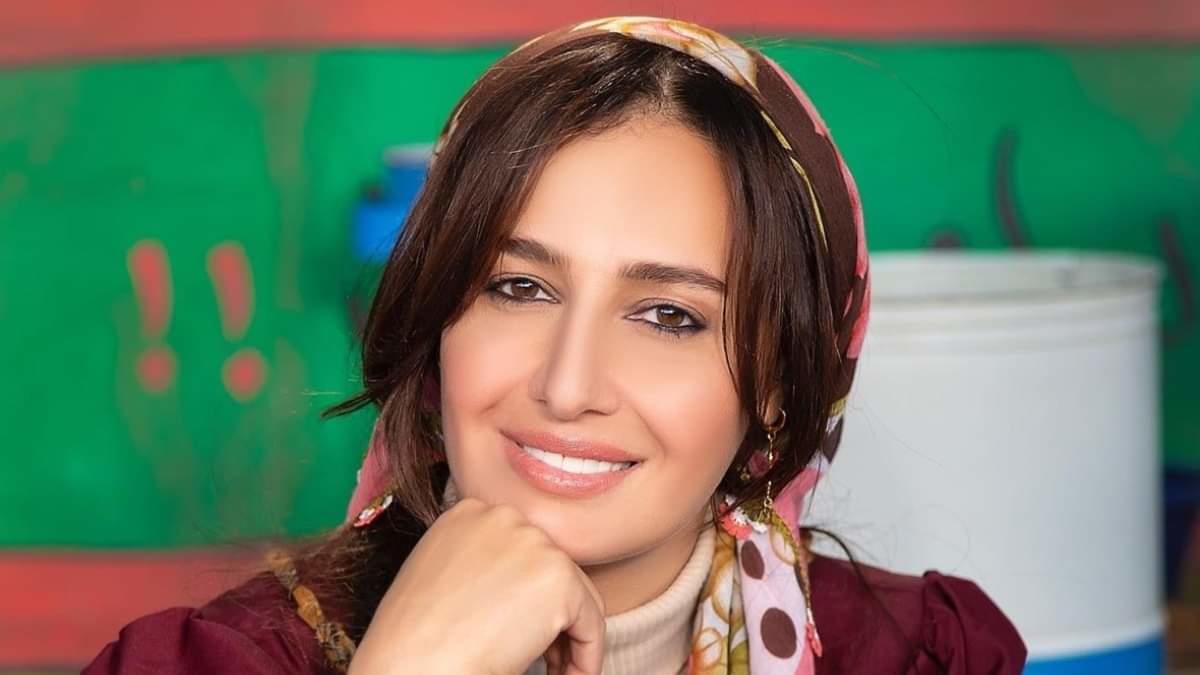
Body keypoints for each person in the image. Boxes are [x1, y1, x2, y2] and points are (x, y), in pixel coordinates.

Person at [85, 17, 1026, 675]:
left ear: (778, 385)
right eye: (518, 287)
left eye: (669, 315)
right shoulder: (219, 661)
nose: (568, 385)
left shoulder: (913, 656)